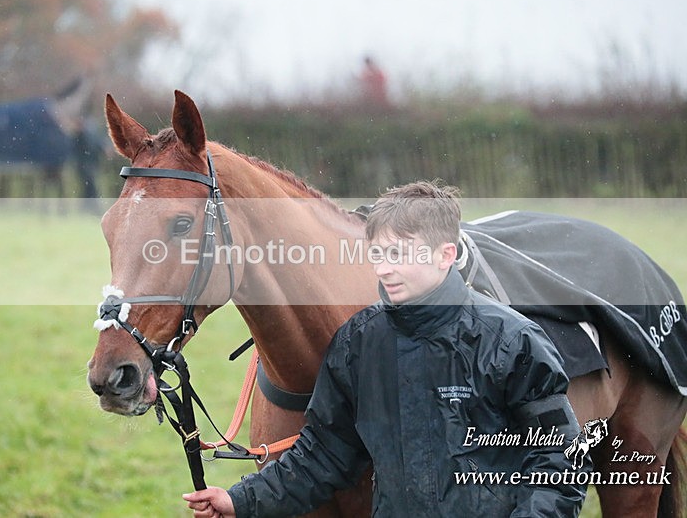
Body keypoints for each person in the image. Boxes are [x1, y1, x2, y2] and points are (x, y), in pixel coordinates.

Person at [184, 180, 589, 517]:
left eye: (399, 254)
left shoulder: (511, 341)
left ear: (445, 254)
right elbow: (323, 456)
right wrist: (239, 500)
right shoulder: (358, 344)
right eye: (377, 253)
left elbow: (560, 463)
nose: (383, 269)